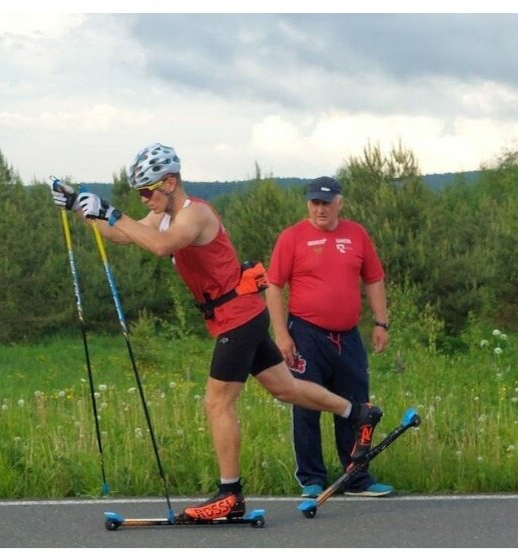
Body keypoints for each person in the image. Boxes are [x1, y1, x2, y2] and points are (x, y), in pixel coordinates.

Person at [53, 144, 383, 520]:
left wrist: (110, 211)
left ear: (171, 181)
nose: (145, 199)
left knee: (217, 403)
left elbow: (160, 247)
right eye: (140, 193)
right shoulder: (163, 215)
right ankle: (357, 412)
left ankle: (230, 495)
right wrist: (79, 208)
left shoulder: (195, 214)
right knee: (285, 388)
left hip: (237, 317)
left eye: (149, 190)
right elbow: (124, 235)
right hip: (239, 315)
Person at [265, 176, 394, 499]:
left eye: (326, 202)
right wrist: (281, 335)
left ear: (340, 203)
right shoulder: (292, 237)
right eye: (314, 202)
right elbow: (274, 285)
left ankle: (356, 476)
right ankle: (311, 478)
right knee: (306, 403)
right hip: (306, 333)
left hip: (348, 336)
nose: (320, 209)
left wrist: (381, 322)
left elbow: (374, 278)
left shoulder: (356, 234)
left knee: (355, 405)